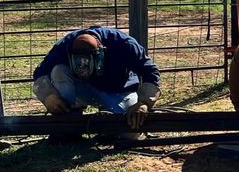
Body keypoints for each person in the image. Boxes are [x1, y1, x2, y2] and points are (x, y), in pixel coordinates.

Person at [32, 26, 160, 131]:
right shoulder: (64, 45)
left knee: (131, 130)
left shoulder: (123, 44)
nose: (82, 66)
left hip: (118, 91)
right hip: (82, 88)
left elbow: (150, 71)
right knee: (58, 70)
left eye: (87, 61)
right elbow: (40, 72)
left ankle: (110, 119)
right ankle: (69, 119)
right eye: (77, 61)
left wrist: (144, 102)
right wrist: (48, 96)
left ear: (100, 53)